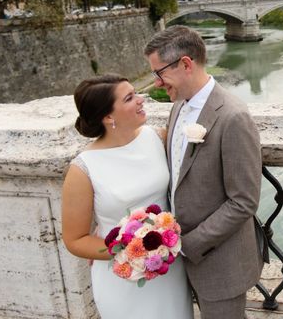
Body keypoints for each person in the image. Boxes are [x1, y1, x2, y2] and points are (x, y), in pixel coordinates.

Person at [144, 25, 265, 319]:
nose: (157, 83)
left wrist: (189, 244)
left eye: (160, 73)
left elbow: (244, 201)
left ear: (186, 64)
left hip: (220, 261)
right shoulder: (178, 107)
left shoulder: (233, 116)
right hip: (178, 257)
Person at [61, 74, 194, 319]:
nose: (142, 99)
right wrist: (128, 250)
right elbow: (75, 239)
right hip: (122, 277)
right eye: (130, 98)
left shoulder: (157, 137)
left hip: (168, 269)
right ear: (108, 117)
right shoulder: (83, 169)